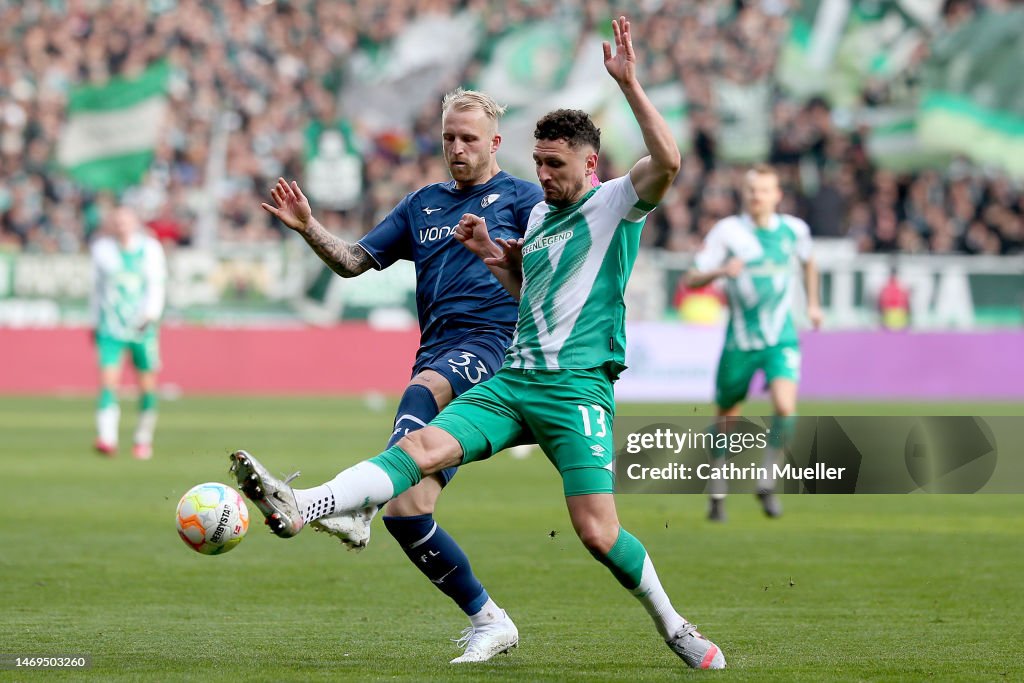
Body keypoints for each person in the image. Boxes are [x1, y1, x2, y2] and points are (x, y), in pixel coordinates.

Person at [234, 17, 726, 670]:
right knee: (417, 447)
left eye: (556, 165)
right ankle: (304, 507)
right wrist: (495, 256)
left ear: (589, 163)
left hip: (576, 386)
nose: (544, 176)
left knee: (597, 532)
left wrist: (631, 85)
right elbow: (531, 287)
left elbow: (668, 161)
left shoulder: (614, 204)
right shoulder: (540, 214)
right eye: (540, 162)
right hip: (515, 378)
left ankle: (673, 623)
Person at [260, 88, 543, 663]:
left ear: (495, 142)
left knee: (425, 390)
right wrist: (308, 227)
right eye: (448, 138)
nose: (457, 149)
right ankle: (490, 620)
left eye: (468, 138)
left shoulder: (525, 199)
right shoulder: (422, 204)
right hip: (436, 347)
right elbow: (353, 261)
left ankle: (327, 503)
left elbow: (550, 280)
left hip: (495, 348)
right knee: (408, 514)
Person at [683, 164, 822, 522]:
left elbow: (809, 263)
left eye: (763, 190)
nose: (756, 196)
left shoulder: (795, 230)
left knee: (785, 407)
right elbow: (693, 278)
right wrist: (719, 271)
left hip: (780, 337)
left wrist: (813, 304)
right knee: (727, 418)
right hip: (740, 342)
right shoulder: (728, 232)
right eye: (750, 190)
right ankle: (717, 489)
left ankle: (766, 479)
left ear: (777, 195)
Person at [90, 205, 167, 459]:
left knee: (146, 385)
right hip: (111, 327)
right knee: (108, 382)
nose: (121, 225)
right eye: (117, 221)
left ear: (135, 222)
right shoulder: (102, 250)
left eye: (125, 221)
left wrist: (151, 316)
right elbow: (97, 289)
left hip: (142, 327)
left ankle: (143, 438)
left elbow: (157, 285)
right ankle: (107, 437)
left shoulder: (150, 249)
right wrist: (94, 321)